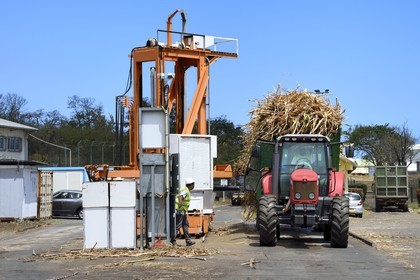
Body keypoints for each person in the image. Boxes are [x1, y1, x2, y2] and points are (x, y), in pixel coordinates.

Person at [171, 177, 196, 246]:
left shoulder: (186, 190)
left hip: (182, 211)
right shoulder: (185, 190)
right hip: (180, 210)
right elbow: (180, 197)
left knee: (185, 225)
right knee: (178, 226)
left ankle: (188, 241)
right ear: (190, 184)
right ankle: (173, 240)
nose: (193, 186)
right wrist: (180, 204)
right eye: (193, 184)